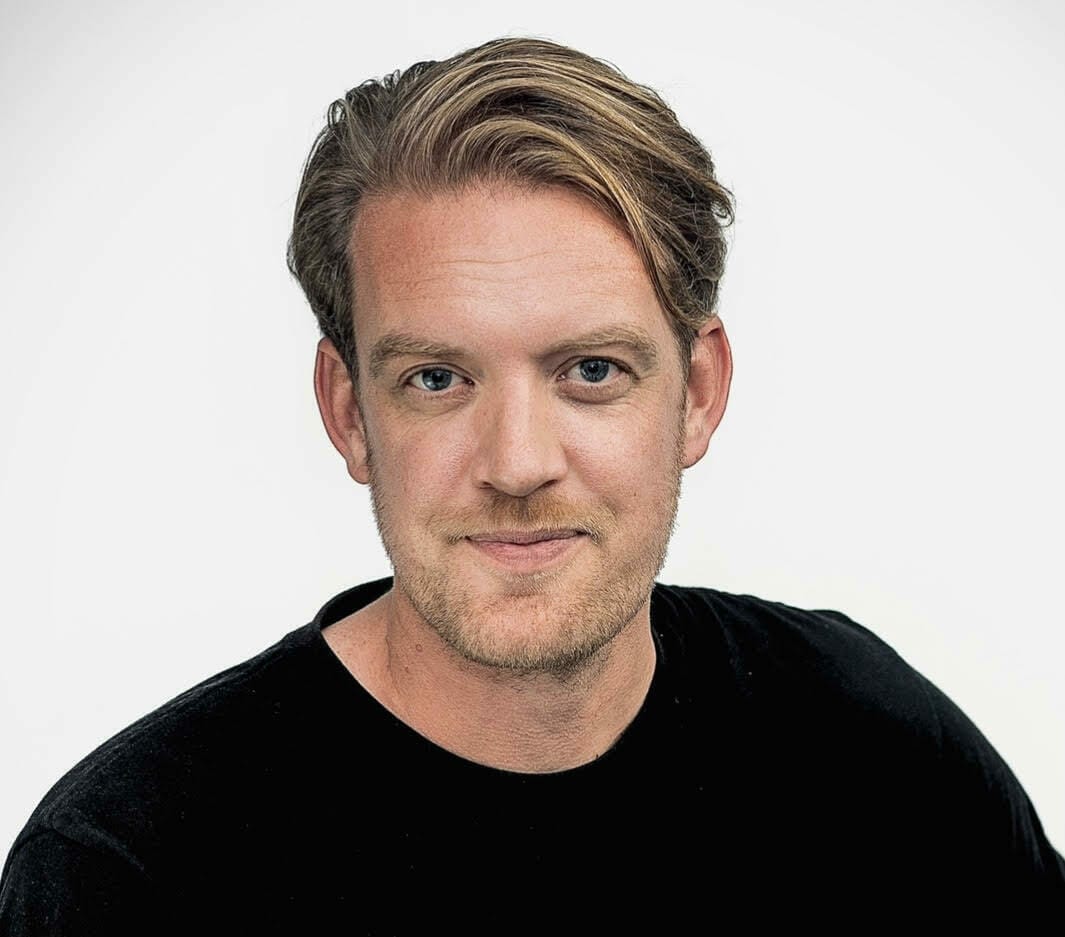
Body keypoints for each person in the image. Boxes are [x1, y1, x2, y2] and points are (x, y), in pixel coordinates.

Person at [1, 35, 1063, 933]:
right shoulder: (132, 870)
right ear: (348, 411)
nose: (515, 462)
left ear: (696, 391)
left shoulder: (872, 755)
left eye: (590, 372)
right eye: (436, 378)